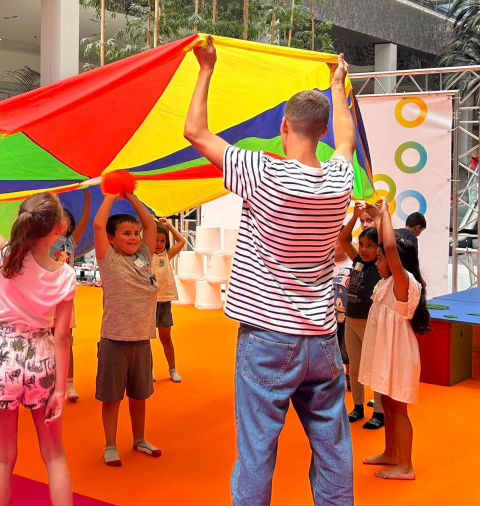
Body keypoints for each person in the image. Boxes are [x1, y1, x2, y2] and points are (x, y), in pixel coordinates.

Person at [184, 36, 356, 504]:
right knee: (334, 448)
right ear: (319, 132)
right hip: (321, 338)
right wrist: (339, 87)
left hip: (266, 338)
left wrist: (206, 69)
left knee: (257, 449)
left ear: (284, 127)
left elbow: (195, 132)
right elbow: (346, 139)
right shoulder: (341, 178)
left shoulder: (262, 172)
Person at [0, 131, 76, 506]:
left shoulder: (5, 255)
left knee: (2, 456)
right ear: (58, 230)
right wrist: (61, 388)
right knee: (55, 455)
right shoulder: (66, 276)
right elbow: (63, 338)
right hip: (44, 358)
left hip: (1, 358)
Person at [359, 199, 430, 480]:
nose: (376, 262)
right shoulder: (386, 283)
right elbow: (386, 248)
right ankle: (391, 452)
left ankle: (406, 466)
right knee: (387, 405)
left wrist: (384, 216)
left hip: (398, 356)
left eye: (379, 258)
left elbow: (390, 248)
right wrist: (376, 221)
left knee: (399, 409)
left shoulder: (404, 283)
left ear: (395, 260)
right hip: (386, 353)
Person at [93, 189, 161, 467]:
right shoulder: (108, 259)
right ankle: (110, 444)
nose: (134, 237)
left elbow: (151, 225)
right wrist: (110, 195)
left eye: (135, 233)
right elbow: (98, 224)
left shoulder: (143, 255)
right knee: (111, 398)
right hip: (114, 341)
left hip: (142, 339)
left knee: (139, 394)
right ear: (111, 239)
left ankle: (139, 438)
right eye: (126, 233)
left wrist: (132, 197)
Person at [338, 210, 384, 429]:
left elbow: (387, 243)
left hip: (370, 323)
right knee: (354, 367)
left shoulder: (381, 267)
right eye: (362, 244)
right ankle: (357, 407)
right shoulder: (357, 259)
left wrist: (378, 218)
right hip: (351, 320)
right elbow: (343, 239)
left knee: (374, 368)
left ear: (379, 248)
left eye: (370, 246)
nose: (364, 250)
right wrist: (355, 217)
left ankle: (379, 412)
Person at [49, 191, 90, 401]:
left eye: (64, 217)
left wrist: (87, 197)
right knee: (48, 339)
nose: (61, 220)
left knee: (66, 339)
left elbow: (84, 220)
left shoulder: (70, 242)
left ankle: (69, 384)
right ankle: (49, 382)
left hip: (65, 297)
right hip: (46, 297)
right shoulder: (45, 241)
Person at [154, 218, 186, 383]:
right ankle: (147, 369)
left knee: (166, 337)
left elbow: (181, 241)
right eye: (155, 240)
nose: (159, 244)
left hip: (164, 301)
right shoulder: (143, 256)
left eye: (162, 240)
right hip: (147, 302)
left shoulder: (166, 255)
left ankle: (172, 368)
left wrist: (169, 227)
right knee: (145, 339)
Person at [332, 238, 352, 390]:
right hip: (330, 317)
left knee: (348, 350)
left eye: (336, 242)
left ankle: (350, 376)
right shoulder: (327, 266)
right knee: (334, 348)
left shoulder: (351, 265)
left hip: (348, 316)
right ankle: (335, 377)